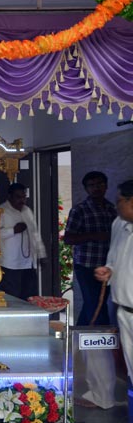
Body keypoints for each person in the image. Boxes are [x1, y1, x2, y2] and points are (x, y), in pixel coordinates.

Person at [94, 179, 133, 409]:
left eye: (120, 201)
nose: (116, 205)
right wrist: (108, 271)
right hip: (123, 310)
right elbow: (114, 259)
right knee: (131, 368)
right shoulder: (119, 224)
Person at [64, 171, 117, 326]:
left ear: (106, 186)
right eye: (91, 185)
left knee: (95, 303)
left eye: (100, 184)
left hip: (107, 265)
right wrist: (94, 236)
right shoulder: (79, 210)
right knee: (95, 305)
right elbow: (68, 239)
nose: (96, 188)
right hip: (86, 265)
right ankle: (103, 337)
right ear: (86, 189)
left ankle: (79, 334)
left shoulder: (112, 209)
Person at [0, 183, 46, 300]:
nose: (22, 200)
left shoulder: (27, 211)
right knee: (12, 298)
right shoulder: (1, 211)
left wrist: (41, 254)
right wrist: (13, 230)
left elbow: (35, 234)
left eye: (24, 197)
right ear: (10, 196)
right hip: (10, 264)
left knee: (30, 297)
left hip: (28, 263)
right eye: (18, 197)